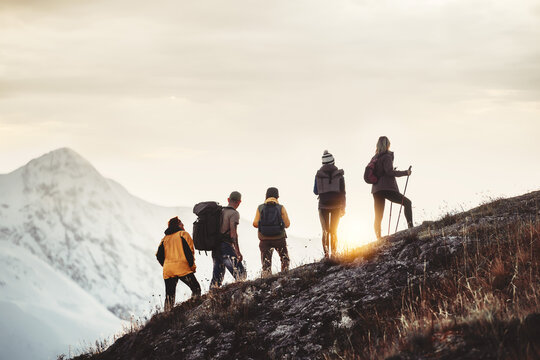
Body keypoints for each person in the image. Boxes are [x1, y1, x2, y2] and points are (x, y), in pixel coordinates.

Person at [371, 136, 413, 240]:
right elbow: (389, 172)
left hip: (376, 189)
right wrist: (405, 173)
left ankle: (378, 238)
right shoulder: (387, 156)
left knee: (378, 215)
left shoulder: (374, 158)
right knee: (407, 202)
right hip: (387, 188)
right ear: (388, 144)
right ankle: (411, 228)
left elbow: (381, 171)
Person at [156, 216, 201, 312]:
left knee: (169, 296)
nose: (183, 226)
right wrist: (192, 267)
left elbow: (158, 255)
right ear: (177, 225)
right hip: (182, 268)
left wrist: (166, 264)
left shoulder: (165, 239)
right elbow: (189, 252)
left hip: (168, 270)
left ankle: (166, 317)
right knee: (196, 289)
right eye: (182, 224)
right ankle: (193, 310)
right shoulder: (183, 234)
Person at [210, 191, 247, 288]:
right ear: (239, 202)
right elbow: (233, 234)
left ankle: (211, 300)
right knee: (241, 274)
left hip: (215, 247)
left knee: (216, 279)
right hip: (225, 247)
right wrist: (238, 252)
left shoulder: (219, 212)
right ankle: (240, 299)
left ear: (228, 199)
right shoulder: (234, 213)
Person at [314, 150, 346, 258]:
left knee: (325, 231)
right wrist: (343, 207)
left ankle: (326, 254)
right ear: (333, 162)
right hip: (337, 205)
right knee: (334, 230)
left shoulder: (318, 175)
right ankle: (335, 254)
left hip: (323, 206)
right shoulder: (339, 175)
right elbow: (343, 193)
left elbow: (315, 191)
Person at [252, 187, 291, 276]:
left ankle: (266, 280)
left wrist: (263, 225)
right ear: (278, 196)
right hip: (279, 238)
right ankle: (284, 276)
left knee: (266, 263)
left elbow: (255, 224)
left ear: (266, 196)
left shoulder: (260, 207)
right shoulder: (281, 207)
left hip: (264, 239)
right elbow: (287, 224)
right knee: (284, 259)